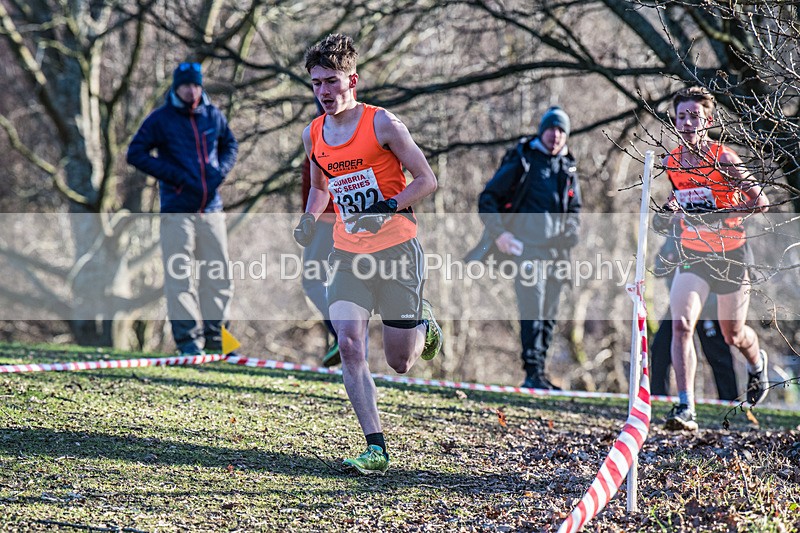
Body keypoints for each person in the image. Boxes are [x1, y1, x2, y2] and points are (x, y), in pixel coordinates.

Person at [293, 33, 443, 475]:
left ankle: (423, 320)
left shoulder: (384, 125)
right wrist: (308, 219)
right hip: (347, 251)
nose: (324, 91)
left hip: (397, 249)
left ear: (352, 80)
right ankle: (375, 447)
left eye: (332, 81)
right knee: (350, 343)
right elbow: (321, 188)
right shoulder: (312, 135)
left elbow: (427, 180)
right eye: (317, 82)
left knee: (399, 362)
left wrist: (388, 206)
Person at [659, 86, 769, 431]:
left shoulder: (725, 158)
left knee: (732, 335)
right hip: (693, 254)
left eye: (695, 116)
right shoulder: (672, 161)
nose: (688, 122)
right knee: (681, 325)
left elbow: (760, 202)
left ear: (708, 120)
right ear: (674, 121)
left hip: (731, 254)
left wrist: (721, 211)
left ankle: (756, 363)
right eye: (681, 116)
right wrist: (672, 208)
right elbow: (680, 199)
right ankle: (685, 407)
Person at [127, 61, 238, 356]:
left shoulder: (213, 115)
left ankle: (219, 340)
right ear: (177, 87)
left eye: (196, 85)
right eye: (186, 85)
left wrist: (220, 171)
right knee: (181, 276)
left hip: (211, 209)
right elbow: (135, 153)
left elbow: (231, 145)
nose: (192, 90)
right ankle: (189, 342)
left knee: (219, 275)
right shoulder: (161, 120)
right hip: (178, 210)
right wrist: (174, 176)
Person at [468, 106, 581, 390]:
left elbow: (575, 208)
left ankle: (541, 373)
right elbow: (487, 199)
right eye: (551, 129)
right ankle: (531, 372)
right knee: (533, 306)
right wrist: (500, 235)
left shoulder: (568, 166)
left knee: (549, 314)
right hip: (525, 248)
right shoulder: (524, 160)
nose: (556, 136)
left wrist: (572, 230)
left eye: (561, 130)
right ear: (542, 130)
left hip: (557, 253)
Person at [650, 234, 738, 401]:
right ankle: (658, 397)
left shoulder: (704, 233)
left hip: (707, 306)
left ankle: (730, 401)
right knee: (660, 348)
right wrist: (671, 262)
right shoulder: (672, 237)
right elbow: (658, 268)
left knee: (717, 355)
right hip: (678, 308)